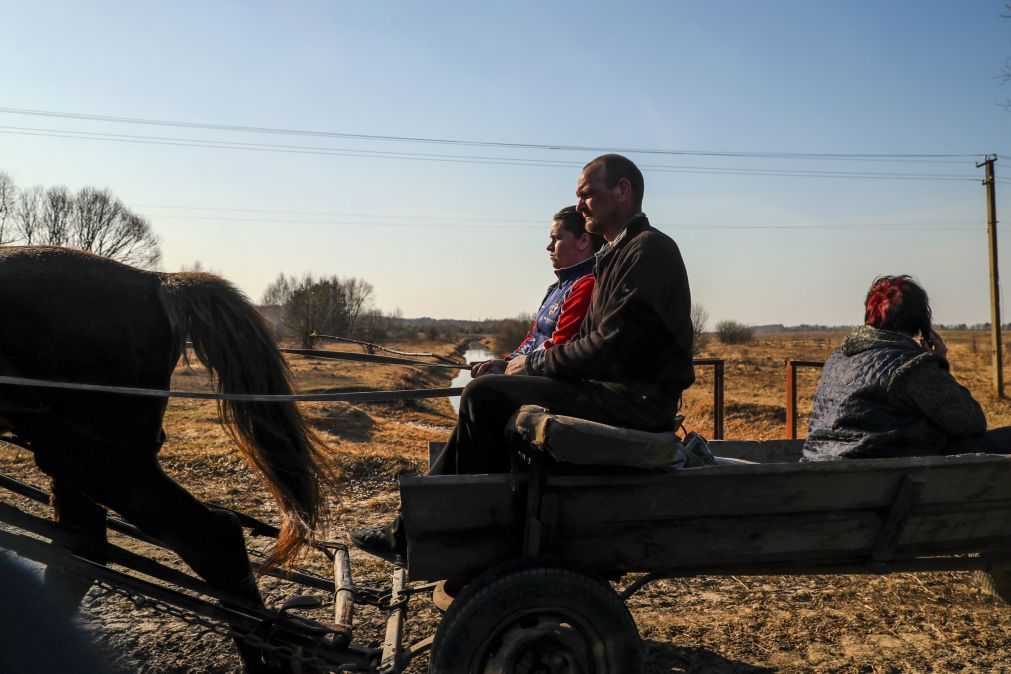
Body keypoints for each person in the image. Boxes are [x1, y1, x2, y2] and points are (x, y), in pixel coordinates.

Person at [351, 154, 696, 563]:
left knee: (483, 395)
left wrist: (531, 365)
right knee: (491, 394)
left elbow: (611, 346)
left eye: (588, 194)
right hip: (614, 393)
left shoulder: (649, 250)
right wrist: (521, 366)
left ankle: (436, 533)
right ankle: (451, 526)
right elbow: (588, 343)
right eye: (579, 197)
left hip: (637, 402)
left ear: (623, 191)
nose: (582, 204)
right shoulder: (615, 255)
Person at [804, 275, 1011, 461]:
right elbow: (970, 421)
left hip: (823, 469)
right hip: (890, 477)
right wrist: (939, 365)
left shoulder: (837, 358)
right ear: (921, 320)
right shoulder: (912, 366)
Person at [470, 206, 603, 378]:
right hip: (535, 370)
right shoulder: (556, 287)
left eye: (557, 238)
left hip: (554, 378)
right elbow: (533, 337)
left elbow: (559, 345)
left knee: (479, 391)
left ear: (583, 241)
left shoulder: (587, 284)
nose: (549, 247)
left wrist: (511, 370)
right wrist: (507, 362)